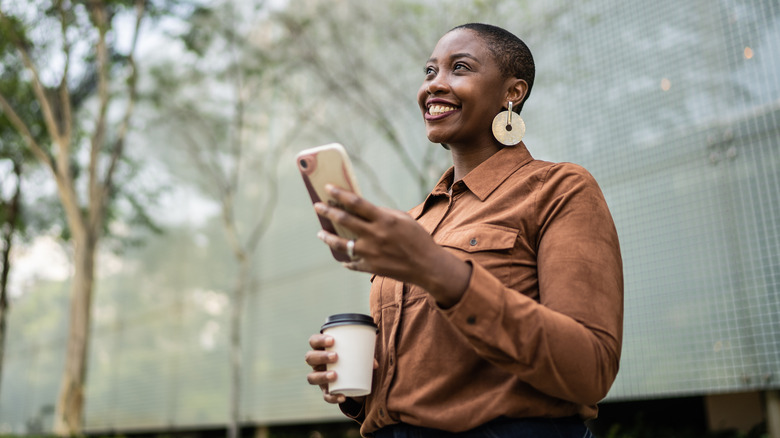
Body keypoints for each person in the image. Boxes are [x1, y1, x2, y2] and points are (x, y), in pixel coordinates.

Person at [305, 23, 623, 438]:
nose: (434, 85)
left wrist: (436, 268)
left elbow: (590, 370)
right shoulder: (414, 222)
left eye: (459, 68)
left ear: (512, 92)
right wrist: (358, 381)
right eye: (429, 71)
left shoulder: (559, 189)